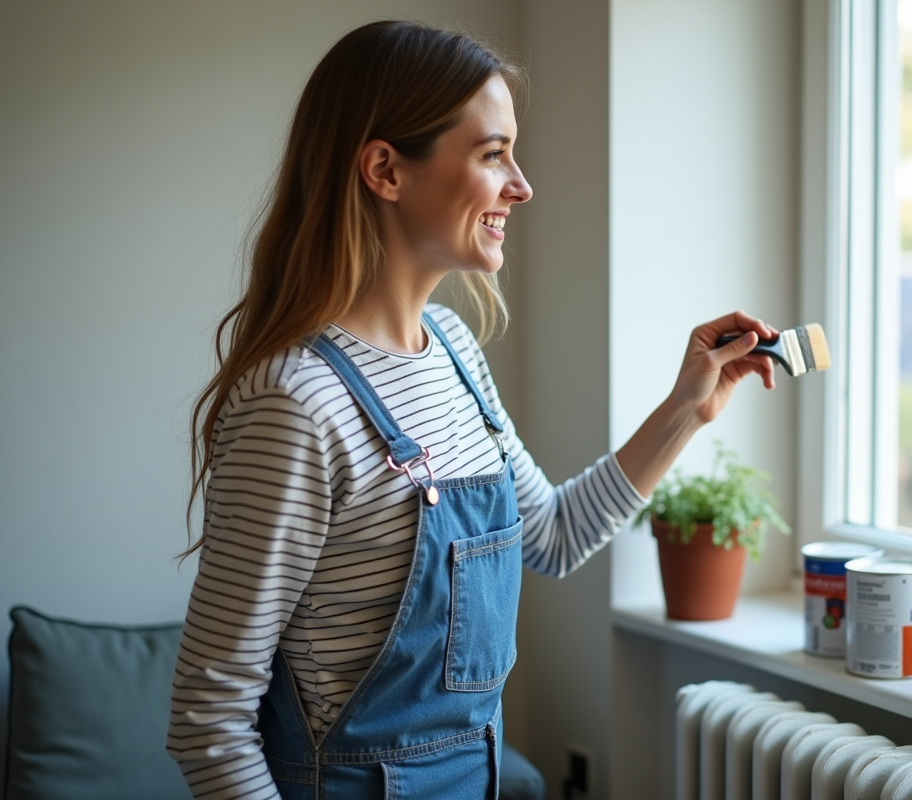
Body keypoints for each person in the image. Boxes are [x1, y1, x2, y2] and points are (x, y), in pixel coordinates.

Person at [167, 19, 778, 800]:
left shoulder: (452, 347)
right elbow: (208, 716)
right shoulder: (293, 403)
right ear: (385, 170)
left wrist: (686, 409)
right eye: (493, 155)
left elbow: (550, 536)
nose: (521, 186)